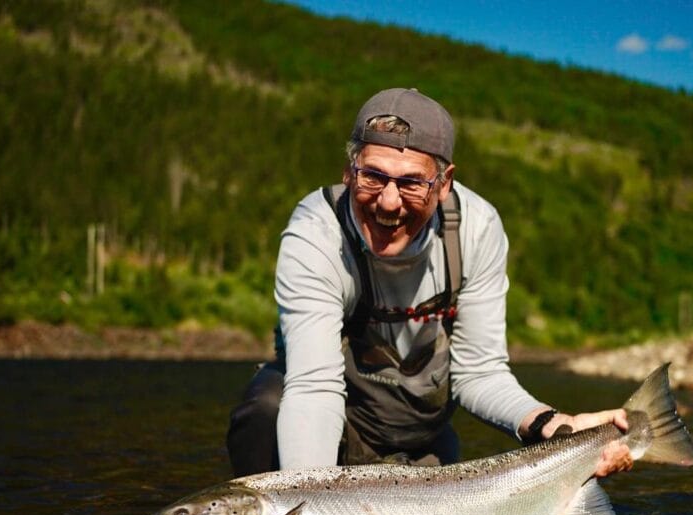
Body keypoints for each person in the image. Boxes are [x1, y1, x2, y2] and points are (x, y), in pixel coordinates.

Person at [227, 87, 632, 478]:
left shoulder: (475, 229)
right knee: (266, 406)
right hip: (326, 433)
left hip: (421, 443)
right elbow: (314, 386)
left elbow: (480, 373)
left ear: (444, 183)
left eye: (410, 183)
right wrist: (304, 513)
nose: (388, 201)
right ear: (348, 173)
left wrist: (553, 425)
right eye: (372, 176)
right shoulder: (316, 232)